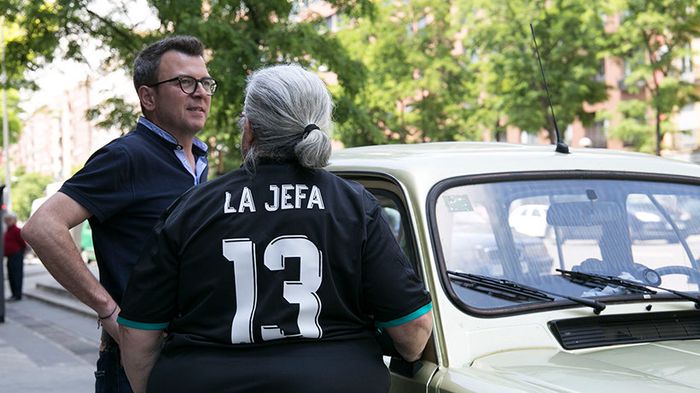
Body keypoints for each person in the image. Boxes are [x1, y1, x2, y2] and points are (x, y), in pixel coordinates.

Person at [117, 64, 433, 393]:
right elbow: (412, 334)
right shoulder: (356, 206)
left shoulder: (190, 209)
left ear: (250, 130)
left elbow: (137, 334)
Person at [21, 35, 215, 393]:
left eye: (205, 82)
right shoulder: (127, 156)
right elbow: (42, 227)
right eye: (185, 82)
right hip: (135, 363)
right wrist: (111, 315)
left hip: (189, 355)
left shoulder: (199, 161)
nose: (200, 92)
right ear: (148, 97)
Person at [4, 212, 26, 301]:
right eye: (6, 220)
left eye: (9, 220)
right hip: (10, 256)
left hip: (16, 256)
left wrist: (20, 253)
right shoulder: (8, 230)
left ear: (14, 220)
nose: (7, 222)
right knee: (11, 276)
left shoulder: (17, 230)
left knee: (16, 275)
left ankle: (17, 295)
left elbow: (22, 243)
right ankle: (14, 294)